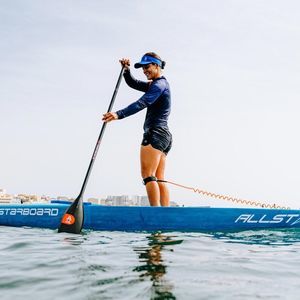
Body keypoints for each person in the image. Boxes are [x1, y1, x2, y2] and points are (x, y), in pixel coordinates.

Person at [102, 52, 172, 207]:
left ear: (156, 65)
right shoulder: (157, 84)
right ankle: (166, 215)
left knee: (148, 176)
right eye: (142, 68)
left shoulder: (158, 85)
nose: (144, 70)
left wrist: (118, 114)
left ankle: (155, 213)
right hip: (164, 136)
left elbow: (143, 102)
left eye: (147, 67)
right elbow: (133, 83)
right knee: (159, 177)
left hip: (155, 133)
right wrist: (126, 70)